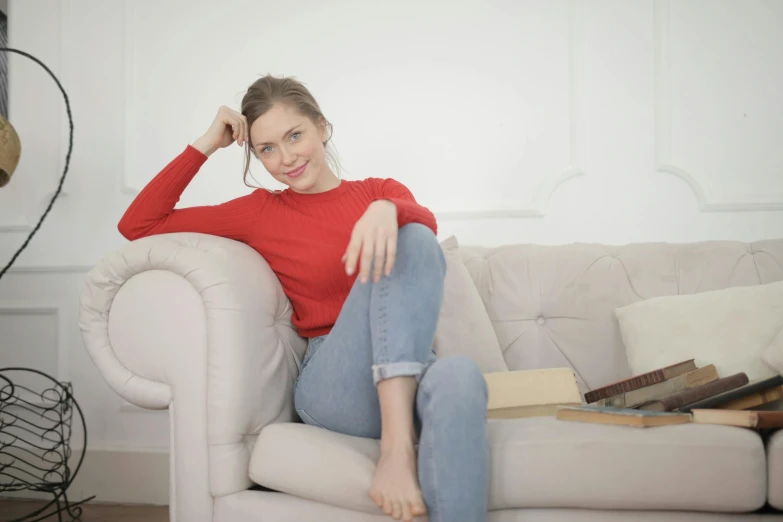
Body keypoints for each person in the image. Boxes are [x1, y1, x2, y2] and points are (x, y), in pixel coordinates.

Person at [117, 75, 489, 522]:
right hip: (336, 383)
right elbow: (139, 224)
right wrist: (205, 144)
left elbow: (421, 226)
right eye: (267, 149)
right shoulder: (261, 212)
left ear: (322, 127)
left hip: (413, 374)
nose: (286, 158)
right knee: (411, 237)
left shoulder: (379, 192)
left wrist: (386, 209)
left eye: (295, 135)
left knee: (463, 375)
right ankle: (395, 450)